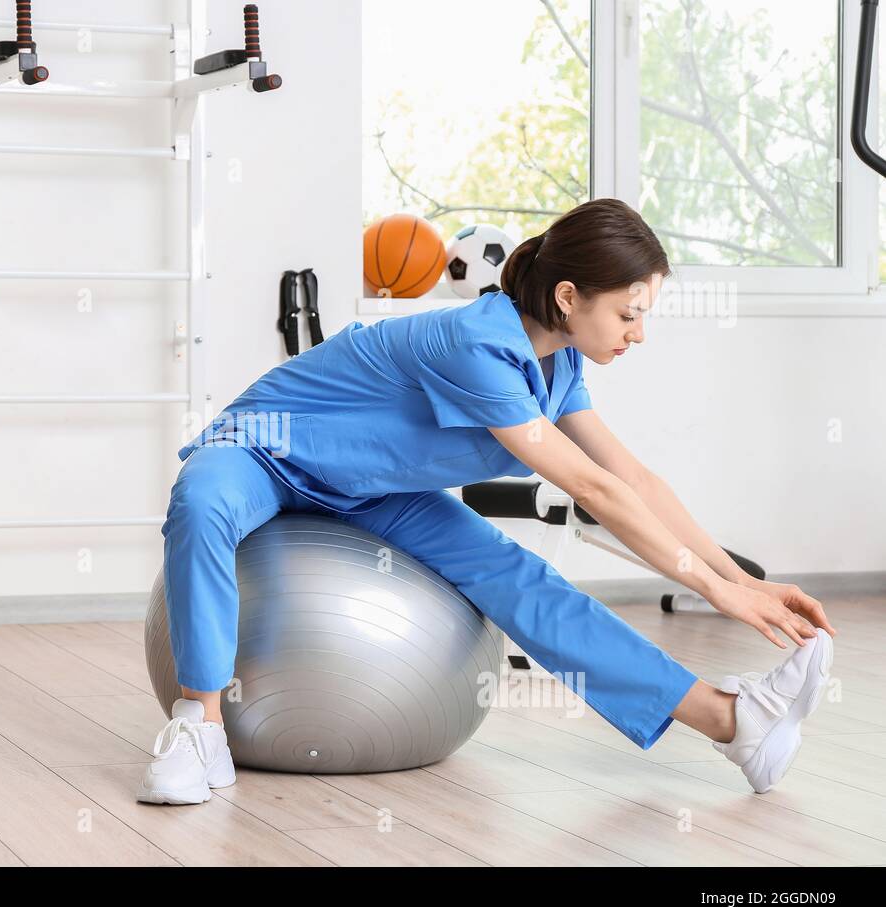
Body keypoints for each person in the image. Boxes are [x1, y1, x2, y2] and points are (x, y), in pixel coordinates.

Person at [136, 197, 836, 806]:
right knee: (202, 504)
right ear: (569, 297)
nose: (637, 333)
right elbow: (593, 489)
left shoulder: (558, 367)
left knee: (524, 581)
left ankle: (733, 720)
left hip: (373, 494)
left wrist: (747, 584)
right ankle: (200, 730)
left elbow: (637, 481)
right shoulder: (476, 343)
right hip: (268, 449)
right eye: (629, 313)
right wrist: (718, 594)